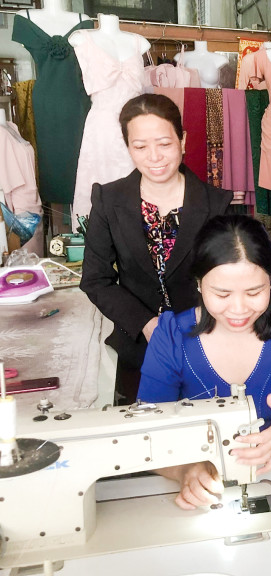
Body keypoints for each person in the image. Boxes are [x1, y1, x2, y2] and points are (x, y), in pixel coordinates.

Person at [138, 214, 271, 510]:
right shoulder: (171, 336)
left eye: (255, 292)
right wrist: (184, 471)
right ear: (199, 284)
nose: (239, 309)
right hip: (208, 490)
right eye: (222, 294)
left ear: (270, 280)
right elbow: (146, 436)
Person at [80, 93, 233, 404]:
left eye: (164, 144)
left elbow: (232, 280)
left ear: (183, 140)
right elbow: (96, 280)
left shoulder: (217, 204)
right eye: (140, 147)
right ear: (128, 147)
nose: (154, 157)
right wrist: (147, 325)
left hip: (208, 344)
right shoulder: (108, 201)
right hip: (137, 349)